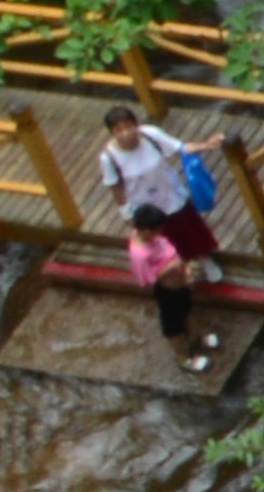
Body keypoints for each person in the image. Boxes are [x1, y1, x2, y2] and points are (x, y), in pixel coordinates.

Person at [94, 111, 224, 369]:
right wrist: (125, 212)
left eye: (129, 126)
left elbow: (178, 147)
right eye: (118, 129)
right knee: (173, 315)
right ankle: (184, 356)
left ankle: (202, 261)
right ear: (112, 133)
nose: (126, 133)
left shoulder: (150, 136)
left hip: (169, 194)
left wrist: (206, 145)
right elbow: (115, 187)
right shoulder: (109, 158)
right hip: (146, 208)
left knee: (187, 230)